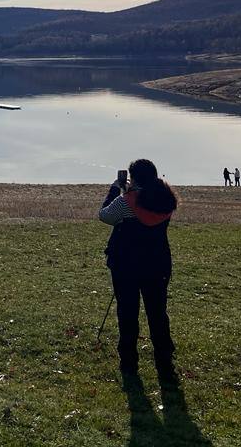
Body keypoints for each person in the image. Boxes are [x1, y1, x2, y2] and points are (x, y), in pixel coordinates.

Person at [99, 158, 179, 378]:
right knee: (158, 313)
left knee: (127, 313)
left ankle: (128, 362)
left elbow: (105, 215)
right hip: (158, 264)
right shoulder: (165, 198)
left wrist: (115, 190)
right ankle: (164, 359)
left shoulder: (126, 201)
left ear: (133, 178)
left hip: (126, 265)